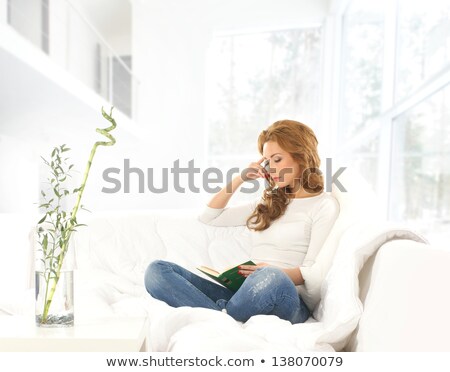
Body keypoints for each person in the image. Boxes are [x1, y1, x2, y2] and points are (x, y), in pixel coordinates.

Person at [144, 120, 339, 324]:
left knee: (272, 277)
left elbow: (314, 271)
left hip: (287, 297)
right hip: (247, 293)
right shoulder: (268, 202)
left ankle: (220, 316)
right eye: (267, 162)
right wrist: (240, 179)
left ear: (302, 157)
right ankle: (223, 317)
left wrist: (271, 272)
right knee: (157, 271)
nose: (271, 168)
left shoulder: (323, 205)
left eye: (277, 159)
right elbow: (210, 216)